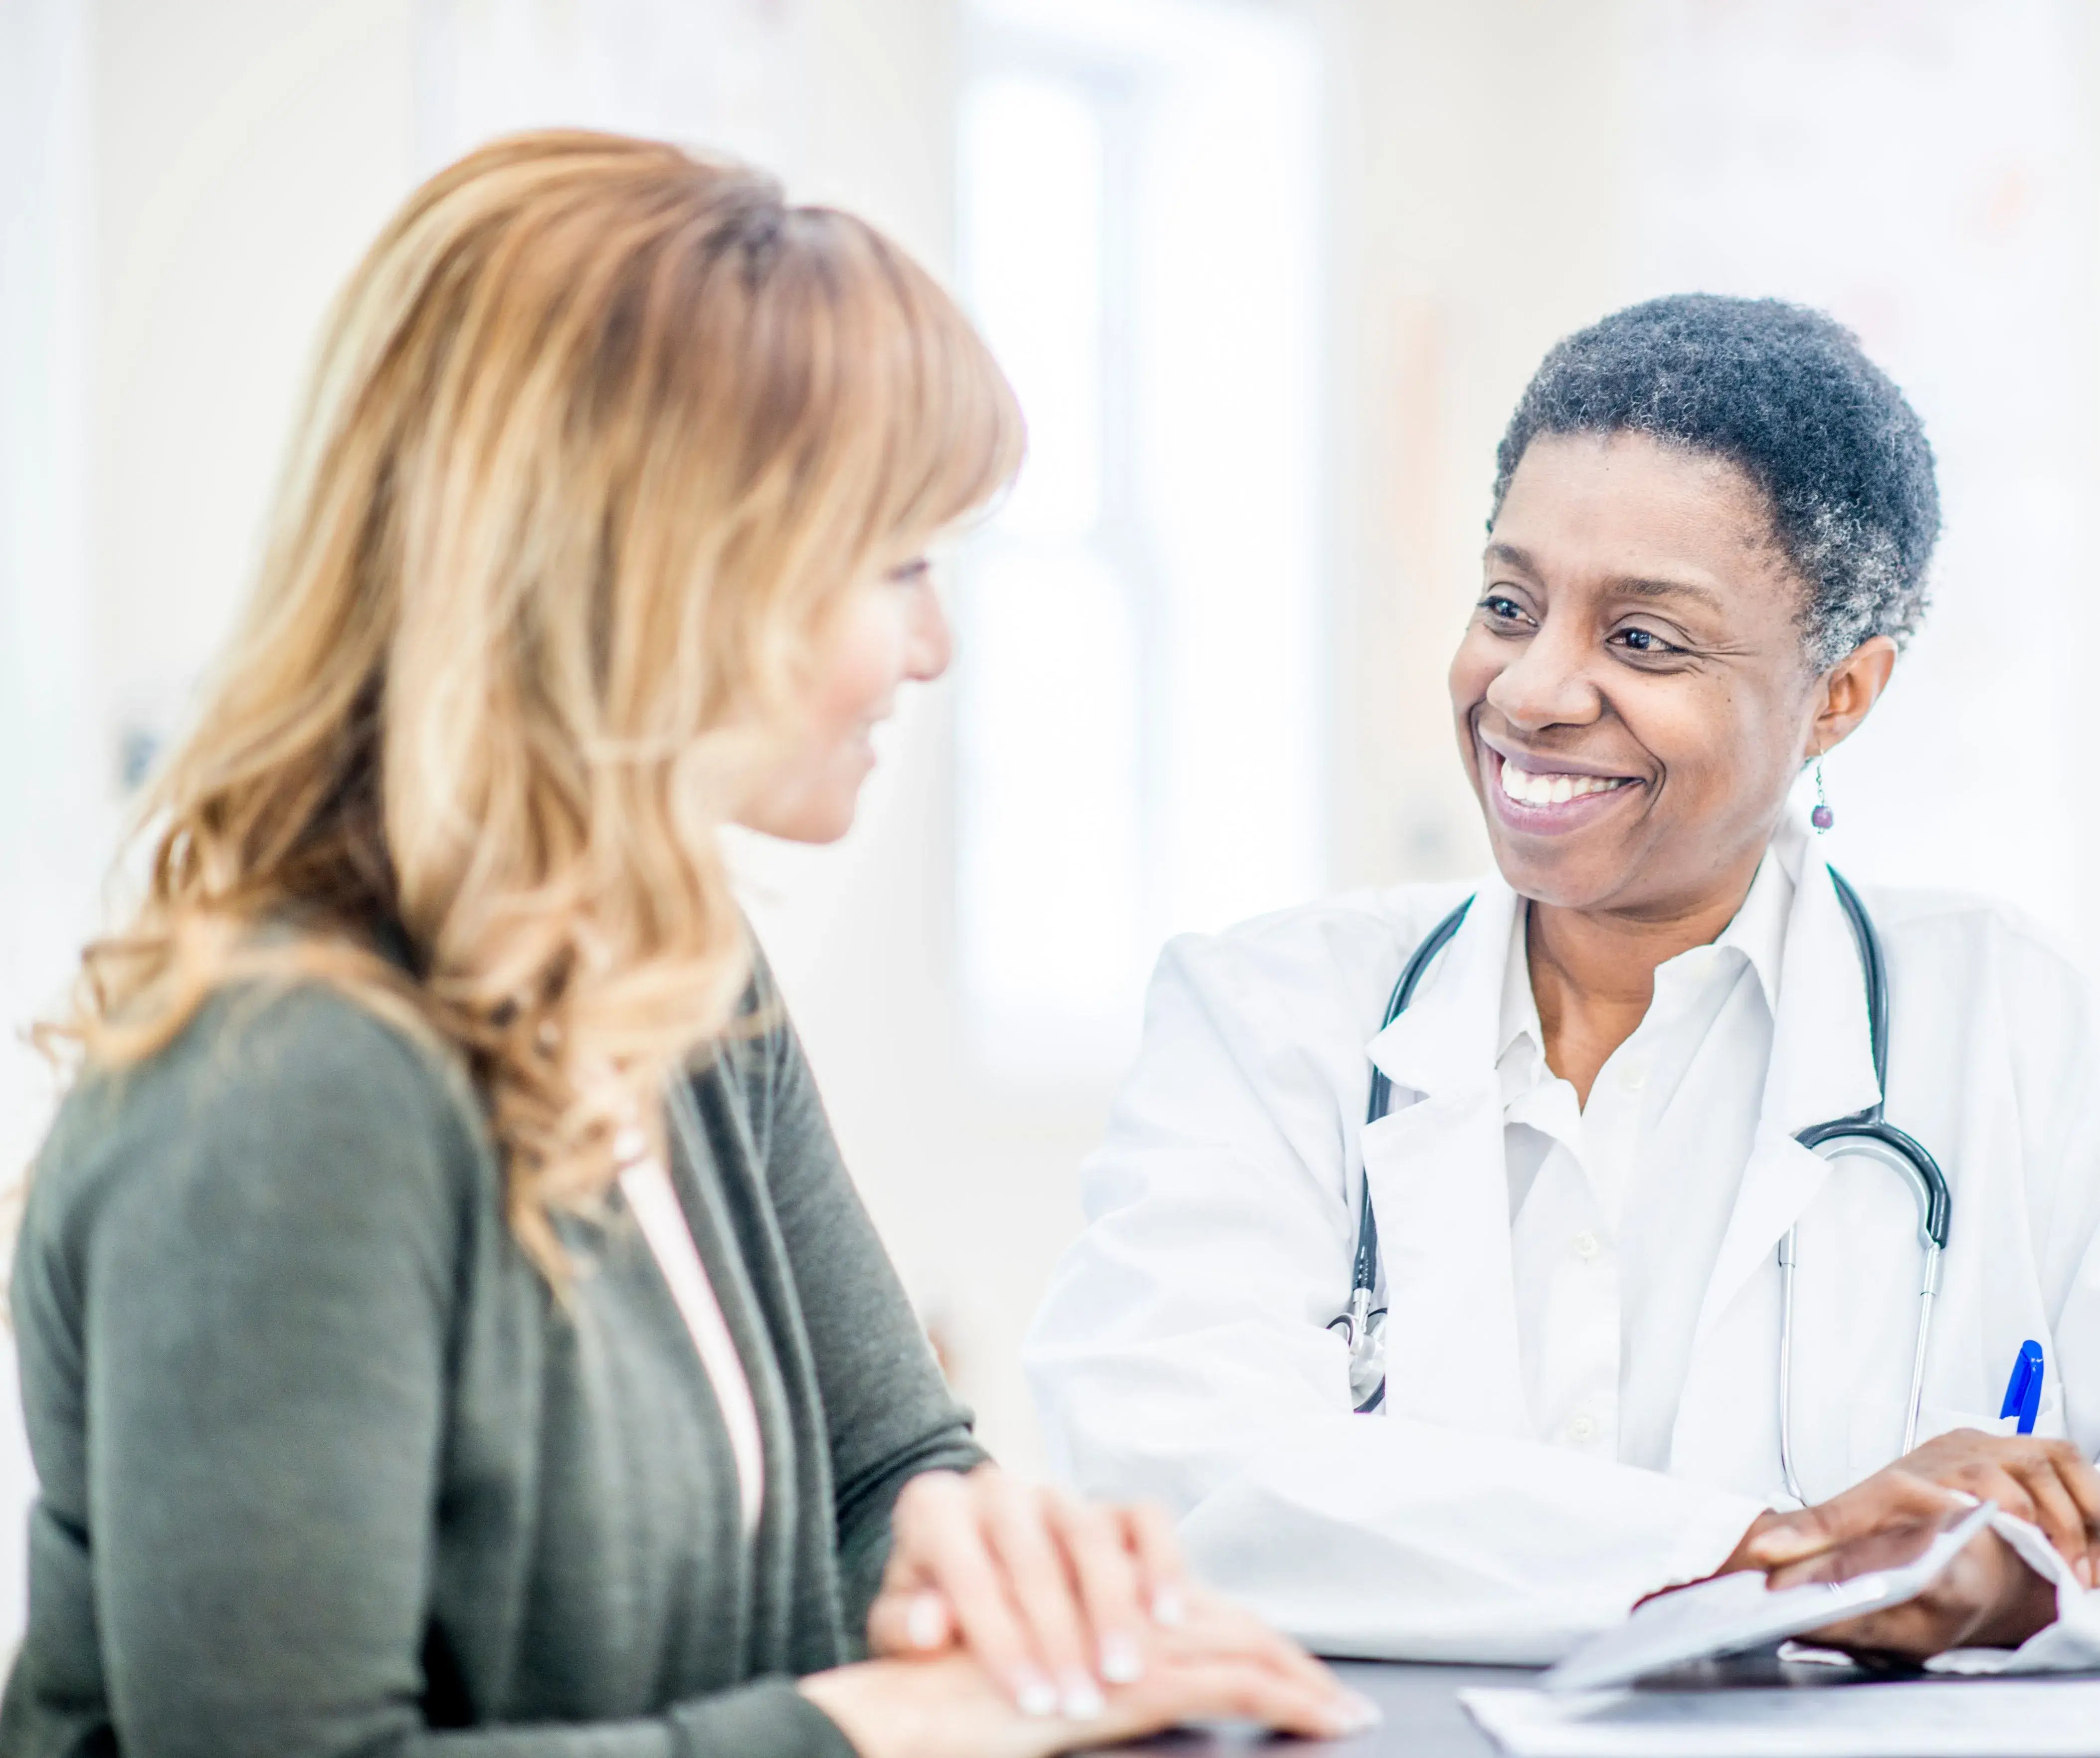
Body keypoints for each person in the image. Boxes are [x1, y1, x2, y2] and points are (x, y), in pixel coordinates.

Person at [4, 132, 1370, 1758]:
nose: (930, 649)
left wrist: (992, 1573)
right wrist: (882, 1724)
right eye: (898, 566)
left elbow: (882, 1465)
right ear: (665, 578)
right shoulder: (293, 1088)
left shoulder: (678, 967)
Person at [1024, 295, 2100, 1668]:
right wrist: (1788, 1559)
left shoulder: (2040, 1032)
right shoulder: (1267, 1017)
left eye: (1644, 639)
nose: (1531, 691)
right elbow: (1177, 1473)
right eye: (1510, 603)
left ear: (1840, 696)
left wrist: (2020, 1575)